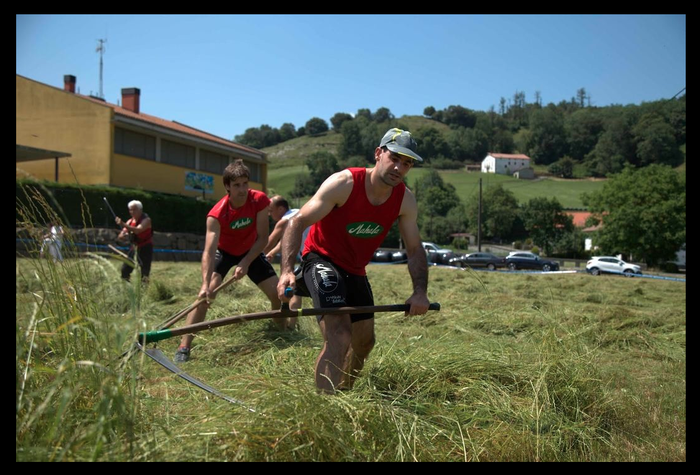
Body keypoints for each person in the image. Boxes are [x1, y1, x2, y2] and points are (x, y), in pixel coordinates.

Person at [277, 128, 430, 393]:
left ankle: (345, 395)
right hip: (321, 259)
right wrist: (287, 270)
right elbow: (297, 221)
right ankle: (324, 411)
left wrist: (420, 292)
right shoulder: (344, 183)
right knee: (339, 335)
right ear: (378, 153)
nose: (399, 167)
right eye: (394, 158)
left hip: (355, 270)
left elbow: (415, 249)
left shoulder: (405, 200)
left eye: (406, 163)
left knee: (364, 342)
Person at [175, 160, 286, 363]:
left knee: (277, 294)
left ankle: (282, 333)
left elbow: (263, 238)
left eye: (245, 183)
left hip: (251, 251)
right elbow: (208, 252)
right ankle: (184, 346)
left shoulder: (260, 200)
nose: (242, 190)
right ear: (227, 186)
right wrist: (204, 284)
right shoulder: (216, 214)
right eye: (236, 185)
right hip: (224, 253)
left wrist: (245, 262)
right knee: (205, 297)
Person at [263, 195, 310, 329]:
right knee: (297, 289)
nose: (269, 214)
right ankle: (293, 323)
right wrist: (272, 252)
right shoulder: (298, 212)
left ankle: (290, 326)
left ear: (281, 209)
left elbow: (268, 242)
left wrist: (252, 258)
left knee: (293, 288)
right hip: (315, 254)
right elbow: (286, 241)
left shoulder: (285, 220)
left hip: (310, 257)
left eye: (271, 210)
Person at [116, 200, 153, 283]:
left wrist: (123, 224)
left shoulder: (146, 220)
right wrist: (122, 236)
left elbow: (138, 230)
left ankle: (144, 291)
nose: (132, 212)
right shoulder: (130, 221)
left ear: (140, 210)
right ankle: (127, 288)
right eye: (130, 210)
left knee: (144, 272)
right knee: (125, 270)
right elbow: (122, 234)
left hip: (145, 247)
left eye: (134, 209)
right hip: (134, 247)